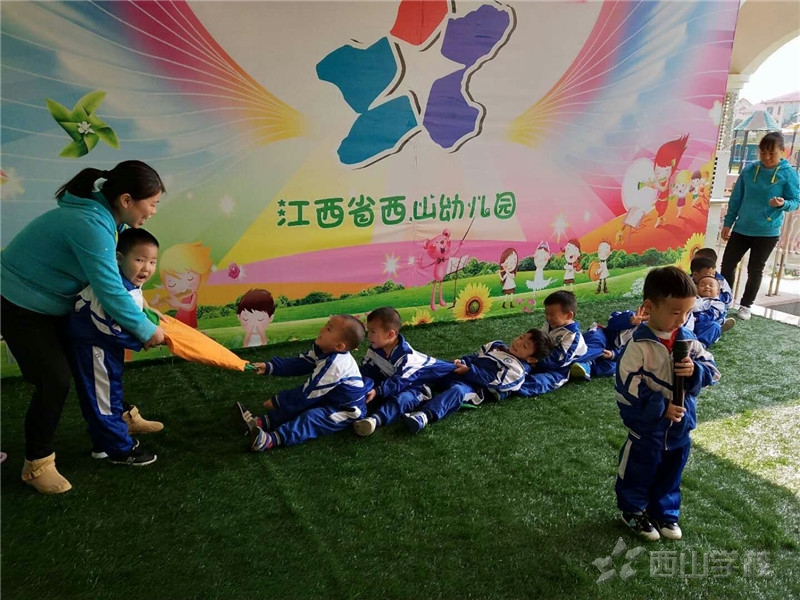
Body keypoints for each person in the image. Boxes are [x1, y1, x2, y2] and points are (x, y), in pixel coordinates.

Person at [0, 161, 166, 494]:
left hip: (54, 304)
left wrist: (142, 305)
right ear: (126, 200)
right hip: (20, 304)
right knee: (54, 380)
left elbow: (114, 277)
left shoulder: (107, 219)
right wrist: (147, 331)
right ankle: (37, 464)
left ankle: (117, 420)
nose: (153, 211)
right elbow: (108, 288)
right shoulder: (91, 225)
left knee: (93, 359)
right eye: (152, 204)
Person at [615, 266, 720, 541]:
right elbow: (628, 388)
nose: (682, 319)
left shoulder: (688, 340)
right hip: (647, 428)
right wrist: (662, 408)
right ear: (649, 307)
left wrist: (695, 371)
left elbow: (713, 371)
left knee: (672, 472)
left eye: (687, 312)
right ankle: (632, 510)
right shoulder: (637, 345)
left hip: (681, 426)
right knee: (639, 469)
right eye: (675, 312)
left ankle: (664, 512)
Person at [68, 228, 164, 467]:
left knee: (106, 392)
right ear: (119, 259)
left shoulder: (127, 282)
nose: (146, 268)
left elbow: (133, 308)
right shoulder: (112, 288)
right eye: (139, 260)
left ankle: (102, 443)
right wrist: (143, 339)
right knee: (104, 399)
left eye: (152, 262)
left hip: (104, 348)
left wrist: (148, 314)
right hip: (94, 347)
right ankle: (120, 449)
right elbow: (108, 326)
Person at [233, 315, 372, 450]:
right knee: (300, 405)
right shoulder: (322, 349)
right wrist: (271, 367)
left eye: (329, 329)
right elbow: (300, 363)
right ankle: (259, 423)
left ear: (339, 346)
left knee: (311, 417)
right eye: (326, 325)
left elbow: (308, 394)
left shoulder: (336, 366)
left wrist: (279, 401)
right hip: (328, 398)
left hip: (345, 409)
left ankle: (270, 440)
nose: (322, 329)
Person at [401, 329, 554, 433]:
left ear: (531, 359)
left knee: (457, 391)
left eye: (525, 346)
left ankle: (424, 416)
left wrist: (469, 371)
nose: (518, 343)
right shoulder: (497, 345)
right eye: (521, 337)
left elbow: (493, 381)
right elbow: (475, 356)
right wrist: (462, 361)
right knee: (436, 367)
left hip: (473, 388)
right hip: (462, 372)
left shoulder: (517, 370)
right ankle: (414, 388)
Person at [720, 131, 800, 321]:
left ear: (783, 152)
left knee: (755, 269)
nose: (767, 157)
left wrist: (782, 204)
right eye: (763, 152)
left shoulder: (788, 174)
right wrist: (728, 223)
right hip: (742, 228)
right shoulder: (749, 170)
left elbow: (795, 201)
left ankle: (746, 305)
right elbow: (736, 198)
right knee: (728, 264)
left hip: (767, 232)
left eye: (772, 153)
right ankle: (724, 301)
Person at [352, 307, 455, 436]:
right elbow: (367, 369)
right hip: (396, 383)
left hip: (419, 386)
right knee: (366, 382)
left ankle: (374, 420)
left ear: (390, 335)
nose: (369, 336)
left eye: (373, 331)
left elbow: (399, 381)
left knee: (403, 398)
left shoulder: (408, 357)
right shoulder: (374, 350)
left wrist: (378, 391)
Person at [517, 290, 587, 395]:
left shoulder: (572, 336)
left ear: (568, 315)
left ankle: (509, 389)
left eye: (552, 315)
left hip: (560, 369)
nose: (548, 318)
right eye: (546, 313)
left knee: (538, 382)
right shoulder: (549, 324)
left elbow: (558, 360)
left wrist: (533, 361)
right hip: (539, 360)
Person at [573, 306, 648, 379]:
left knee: (616, 367)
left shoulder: (648, 336)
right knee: (596, 339)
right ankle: (574, 361)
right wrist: (630, 320)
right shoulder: (627, 314)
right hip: (603, 335)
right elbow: (611, 324)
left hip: (613, 354)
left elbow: (633, 353)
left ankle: (587, 366)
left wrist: (613, 354)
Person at [690, 254, 734, 333]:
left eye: (713, 274)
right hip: (697, 305)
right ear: (695, 274)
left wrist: (713, 297)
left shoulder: (719, 281)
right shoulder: (687, 282)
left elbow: (727, 298)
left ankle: (720, 322)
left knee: (714, 316)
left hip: (712, 305)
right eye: (708, 274)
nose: (712, 277)